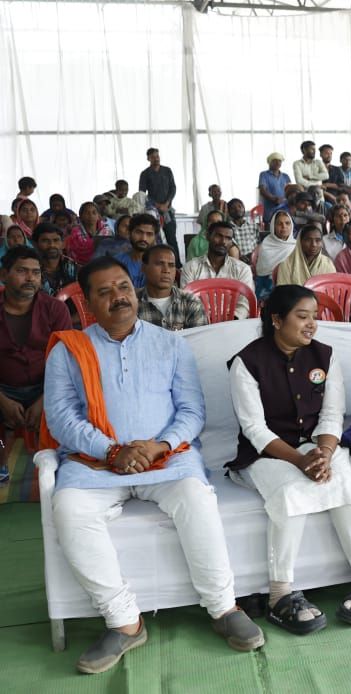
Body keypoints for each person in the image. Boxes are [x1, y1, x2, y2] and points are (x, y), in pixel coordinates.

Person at [43, 256, 265, 674]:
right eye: (104, 291)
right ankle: (124, 622)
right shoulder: (69, 351)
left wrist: (160, 445)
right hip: (94, 464)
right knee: (69, 510)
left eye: (123, 287)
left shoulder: (171, 344)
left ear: (135, 290)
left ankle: (223, 607)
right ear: (87, 303)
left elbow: (192, 411)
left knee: (197, 499)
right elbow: (61, 417)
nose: (118, 297)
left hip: (167, 460)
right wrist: (112, 451)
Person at [226, 285, 351, 632]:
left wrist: (324, 453)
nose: (312, 324)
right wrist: (300, 461)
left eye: (315, 317)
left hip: (317, 446)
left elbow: (332, 414)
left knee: (344, 479)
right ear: (277, 320)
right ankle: (279, 594)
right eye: (302, 316)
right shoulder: (247, 363)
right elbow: (254, 429)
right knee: (291, 490)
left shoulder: (325, 356)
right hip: (266, 454)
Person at [0, 247, 71, 441]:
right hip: (3, 388)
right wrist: (2, 401)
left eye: (36, 272)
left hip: (46, 387)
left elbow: (67, 361)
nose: (30, 278)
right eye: (22, 271)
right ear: (4, 275)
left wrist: (45, 400)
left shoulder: (55, 309)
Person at [179, 220, 255, 320]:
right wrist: (206, 322)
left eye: (228, 238)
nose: (223, 242)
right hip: (200, 323)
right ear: (207, 236)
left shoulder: (242, 269)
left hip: (233, 323)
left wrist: (231, 320)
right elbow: (187, 301)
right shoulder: (191, 268)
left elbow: (245, 303)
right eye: (218, 236)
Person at [136, 245, 207, 331]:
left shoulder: (191, 302)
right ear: (143, 268)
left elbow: (198, 338)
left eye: (171, 265)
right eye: (159, 264)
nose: (166, 270)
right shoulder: (133, 303)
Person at [138, 148, 179, 265]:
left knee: (171, 238)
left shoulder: (167, 170)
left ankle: (177, 264)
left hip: (167, 210)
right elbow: (142, 193)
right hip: (153, 212)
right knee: (156, 239)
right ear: (148, 159)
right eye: (153, 157)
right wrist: (156, 205)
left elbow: (173, 188)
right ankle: (157, 263)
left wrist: (166, 203)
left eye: (157, 156)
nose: (156, 159)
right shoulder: (145, 174)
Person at [255, 210, 296, 300]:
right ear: (273, 226)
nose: (284, 226)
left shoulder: (296, 245)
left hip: (293, 284)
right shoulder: (266, 245)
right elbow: (263, 273)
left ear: (292, 226)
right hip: (268, 285)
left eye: (287, 223)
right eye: (279, 224)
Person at [32, 223, 79, 297]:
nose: (51, 245)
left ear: (63, 244)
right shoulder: (30, 268)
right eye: (45, 241)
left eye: (56, 240)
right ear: (35, 244)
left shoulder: (72, 267)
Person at [114, 213, 158, 289]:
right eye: (139, 232)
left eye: (149, 234)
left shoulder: (161, 264)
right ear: (129, 233)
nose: (144, 238)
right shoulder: (117, 262)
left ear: (155, 237)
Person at [66, 201, 112, 265]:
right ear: (81, 217)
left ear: (98, 216)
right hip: (80, 266)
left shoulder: (107, 231)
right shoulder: (75, 233)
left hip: (103, 265)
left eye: (94, 213)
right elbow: (74, 254)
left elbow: (111, 250)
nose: (91, 216)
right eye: (87, 213)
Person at [259, 153, 292, 225]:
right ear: (269, 162)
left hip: (285, 209)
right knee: (271, 228)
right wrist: (274, 199)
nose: (278, 163)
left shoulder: (285, 176)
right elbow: (262, 190)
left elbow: (291, 191)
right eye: (275, 161)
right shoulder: (264, 174)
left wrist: (284, 199)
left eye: (279, 161)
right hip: (270, 210)